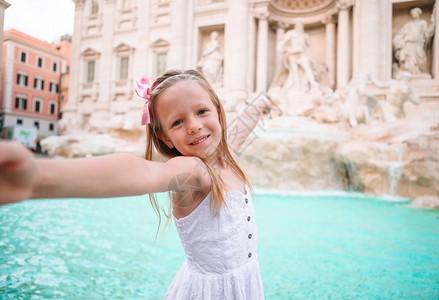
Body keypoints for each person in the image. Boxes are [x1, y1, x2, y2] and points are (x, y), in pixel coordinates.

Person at [0, 69, 269, 299]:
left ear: (218, 111)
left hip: (245, 282)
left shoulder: (226, 157)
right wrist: (37, 178)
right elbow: (141, 172)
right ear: (164, 138)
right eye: (178, 122)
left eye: (201, 111)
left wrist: (260, 106)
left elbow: (237, 133)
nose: (194, 126)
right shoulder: (194, 172)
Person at [273, 17, 318, 92]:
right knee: (295, 71)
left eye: (301, 24)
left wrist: (310, 57)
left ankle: (313, 82)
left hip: (301, 54)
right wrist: (280, 47)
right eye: (298, 24)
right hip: (292, 54)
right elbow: (283, 40)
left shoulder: (304, 35)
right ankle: (298, 88)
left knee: (307, 67)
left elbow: (309, 47)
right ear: (296, 25)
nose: (300, 25)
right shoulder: (291, 33)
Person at [392, 7, 435, 77]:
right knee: (409, 61)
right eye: (412, 13)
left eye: (415, 13)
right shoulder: (408, 25)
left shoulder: (422, 23)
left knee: (420, 58)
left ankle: (418, 73)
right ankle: (410, 74)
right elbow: (400, 34)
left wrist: (432, 24)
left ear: (418, 14)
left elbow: (427, 34)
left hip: (417, 44)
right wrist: (400, 41)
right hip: (408, 44)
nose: (413, 14)